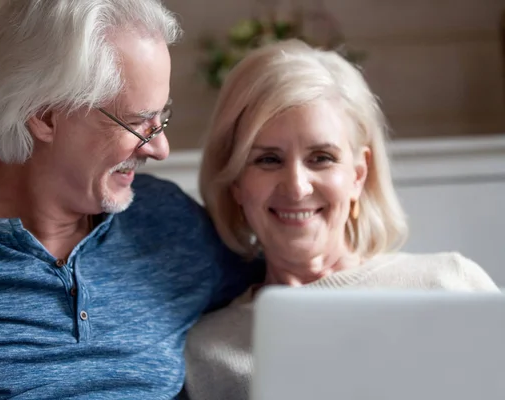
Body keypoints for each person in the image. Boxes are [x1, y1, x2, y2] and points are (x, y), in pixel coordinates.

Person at [0, 1, 262, 398]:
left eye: (162, 116)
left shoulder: (168, 221)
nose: (159, 148)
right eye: (136, 121)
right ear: (44, 117)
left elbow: (288, 279)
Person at [183, 39, 500, 400]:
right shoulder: (206, 353)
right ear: (237, 183)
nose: (297, 188)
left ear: (359, 174)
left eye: (321, 157)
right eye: (268, 159)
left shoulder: (451, 284)